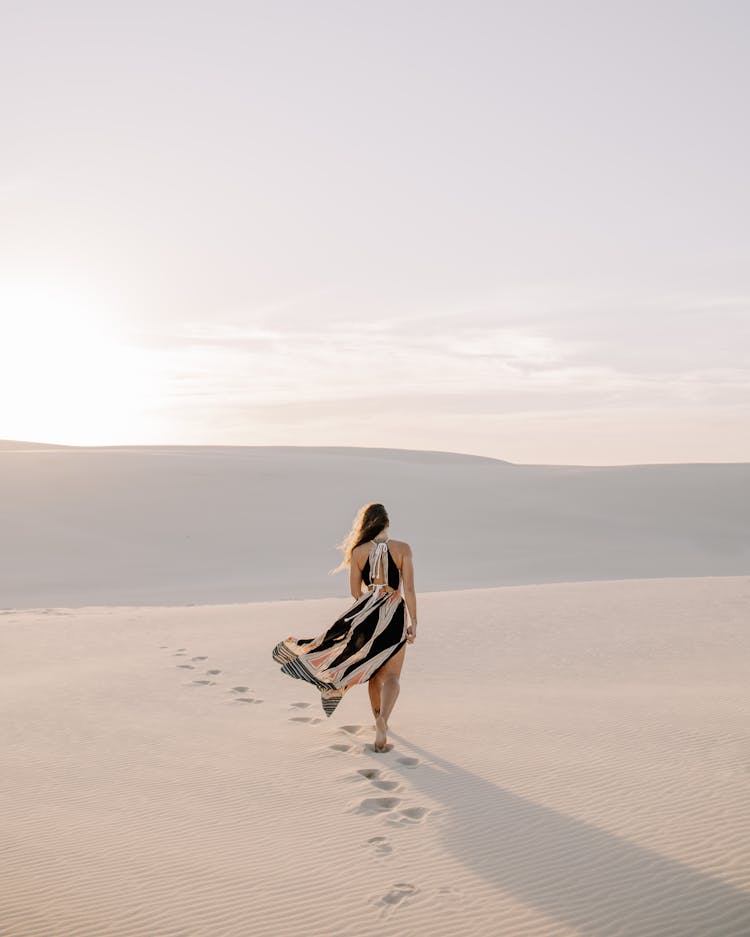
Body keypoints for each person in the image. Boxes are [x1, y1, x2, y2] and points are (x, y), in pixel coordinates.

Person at [272, 502, 417, 752]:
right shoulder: (403, 548)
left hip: (368, 612)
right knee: (392, 676)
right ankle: (383, 721)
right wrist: (414, 622)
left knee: (374, 674)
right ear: (387, 523)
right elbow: (411, 590)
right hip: (395, 611)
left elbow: (354, 592)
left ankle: (376, 718)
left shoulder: (359, 552)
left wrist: (370, 606)